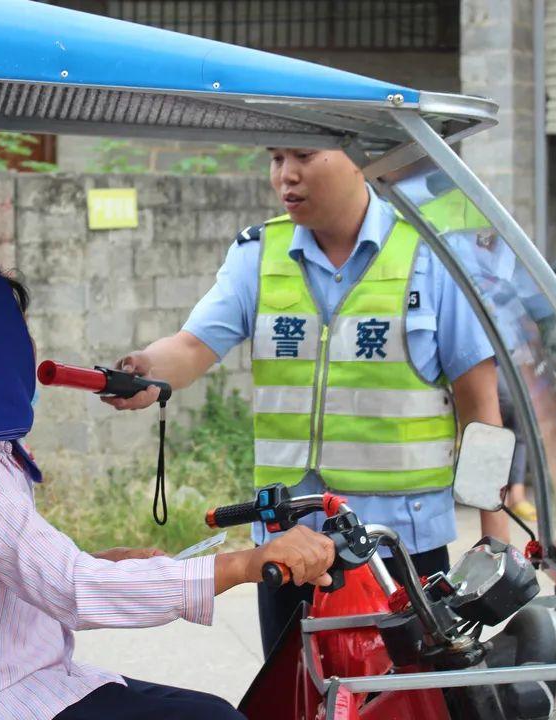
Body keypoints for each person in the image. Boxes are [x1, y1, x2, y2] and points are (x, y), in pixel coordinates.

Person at [0, 259, 337, 720]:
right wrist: (240, 565)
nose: (26, 349)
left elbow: (2, 567)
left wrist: (103, 561)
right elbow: (72, 589)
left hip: (21, 680)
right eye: (17, 333)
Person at [106, 149, 509, 657]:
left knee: (402, 703)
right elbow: (189, 347)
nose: (285, 175)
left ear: (361, 159)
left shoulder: (431, 257)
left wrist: (494, 543)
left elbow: (481, 409)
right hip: (288, 545)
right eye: (276, 158)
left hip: (400, 546)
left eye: (303, 156)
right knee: (294, 693)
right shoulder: (259, 254)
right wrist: (145, 370)